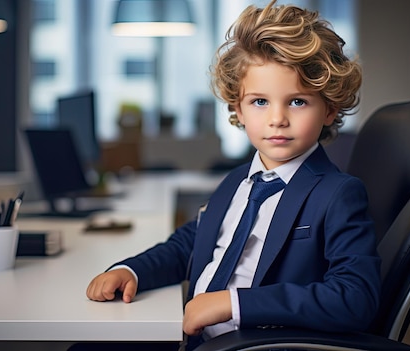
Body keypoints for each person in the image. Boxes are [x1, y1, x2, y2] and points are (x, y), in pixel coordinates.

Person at [80, 1, 381, 350]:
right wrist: (130, 271)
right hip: (190, 337)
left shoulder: (338, 193)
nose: (277, 119)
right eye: (259, 102)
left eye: (297, 102)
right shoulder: (237, 182)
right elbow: (186, 246)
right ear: (237, 108)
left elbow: (354, 297)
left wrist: (233, 303)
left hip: (251, 343)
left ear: (329, 108)